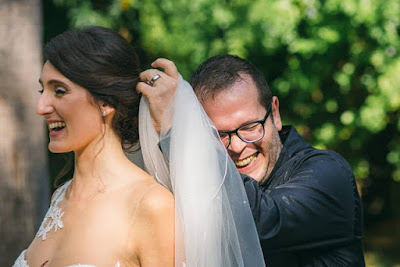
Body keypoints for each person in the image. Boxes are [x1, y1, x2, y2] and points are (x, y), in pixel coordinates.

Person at [142, 55, 365, 266]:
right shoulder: (200, 188)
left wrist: (177, 134)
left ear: (275, 114)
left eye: (250, 127)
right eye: (219, 136)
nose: (238, 147)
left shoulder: (329, 174)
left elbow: (261, 220)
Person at [13, 26, 175, 267]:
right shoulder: (60, 197)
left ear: (105, 102)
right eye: (42, 90)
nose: (41, 107)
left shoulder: (152, 205)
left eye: (59, 91)